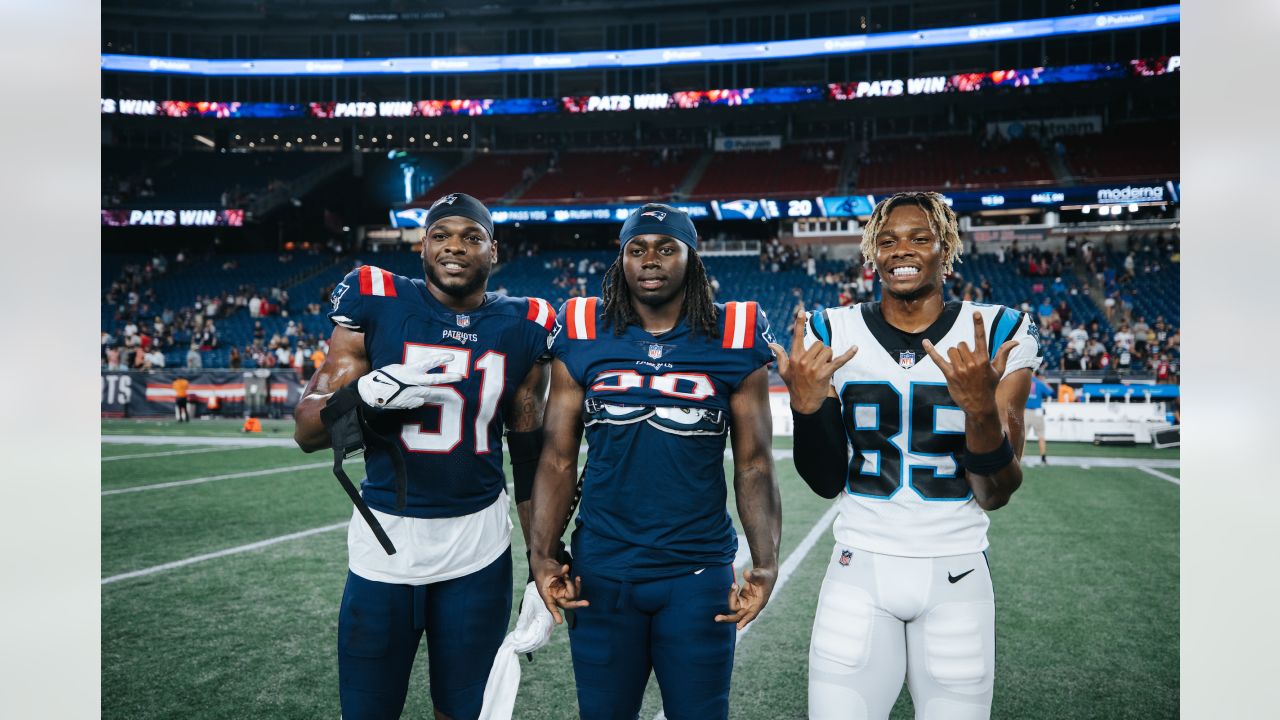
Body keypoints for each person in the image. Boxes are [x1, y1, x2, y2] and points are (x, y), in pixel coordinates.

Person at [769, 191, 1040, 720]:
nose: (903, 250)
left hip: (956, 570)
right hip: (859, 566)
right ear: (872, 252)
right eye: (888, 240)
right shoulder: (831, 329)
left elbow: (997, 492)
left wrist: (981, 410)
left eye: (920, 237)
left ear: (947, 247)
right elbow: (825, 481)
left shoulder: (1000, 329)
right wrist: (806, 410)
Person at [292, 192, 555, 720]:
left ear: (493, 251)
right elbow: (307, 430)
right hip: (385, 540)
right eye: (441, 235)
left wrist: (542, 561)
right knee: (367, 710)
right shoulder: (376, 298)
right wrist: (362, 397)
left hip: (478, 543)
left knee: (464, 711)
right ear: (422, 247)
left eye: (471, 236)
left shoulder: (526, 325)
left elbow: (529, 460)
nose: (454, 246)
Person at [528, 203, 782, 720]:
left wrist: (766, 562)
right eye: (637, 248)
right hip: (601, 571)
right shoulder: (580, 328)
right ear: (620, 259)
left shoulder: (735, 332)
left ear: (692, 258)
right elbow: (557, 458)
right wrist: (542, 555)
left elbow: (753, 463)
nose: (651, 259)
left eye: (667, 248)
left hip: (697, 573)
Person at [1025, 368, 1055, 464]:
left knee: (1023, 437)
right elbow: (1052, 393)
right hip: (1037, 412)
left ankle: (1019, 457)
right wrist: (1044, 382)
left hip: (1025, 411)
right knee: (1041, 436)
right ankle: (1043, 457)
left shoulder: (1024, 381)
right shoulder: (1039, 383)